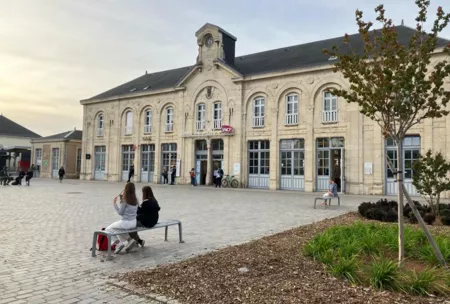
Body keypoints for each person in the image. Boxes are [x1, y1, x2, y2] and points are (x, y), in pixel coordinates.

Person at [105, 182, 138, 254]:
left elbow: (120, 212)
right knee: (118, 229)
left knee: (108, 229)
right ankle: (130, 240)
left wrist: (114, 204)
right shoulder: (135, 199)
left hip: (126, 223)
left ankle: (119, 244)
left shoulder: (125, 199)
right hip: (133, 222)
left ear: (126, 189)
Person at [126, 186, 161, 252]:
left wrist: (136, 206)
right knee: (133, 224)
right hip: (154, 221)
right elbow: (143, 211)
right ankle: (139, 241)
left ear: (144, 193)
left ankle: (132, 241)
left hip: (146, 222)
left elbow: (139, 212)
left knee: (130, 225)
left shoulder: (146, 202)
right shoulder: (154, 200)